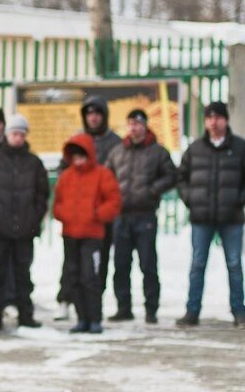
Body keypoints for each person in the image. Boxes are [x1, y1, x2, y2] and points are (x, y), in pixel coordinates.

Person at [0, 114, 50, 330]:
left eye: (21, 134)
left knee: (23, 274)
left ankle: (26, 314)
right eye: (15, 133)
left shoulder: (33, 162)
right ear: (7, 134)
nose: (18, 137)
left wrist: (33, 217)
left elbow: (42, 194)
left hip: (25, 228)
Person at [175, 101, 245, 327]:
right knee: (197, 264)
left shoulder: (240, 147)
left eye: (218, 117)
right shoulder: (195, 148)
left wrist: (238, 200)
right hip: (201, 217)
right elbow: (181, 177)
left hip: (231, 217)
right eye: (209, 118)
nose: (213, 122)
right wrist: (190, 199)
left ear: (226, 120)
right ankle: (192, 311)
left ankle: (239, 311)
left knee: (234, 264)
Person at [106, 108, 177, 323]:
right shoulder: (117, 152)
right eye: (131, 124)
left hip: (145, 215)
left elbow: (171, 176)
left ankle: (151, 309)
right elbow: (106, 178)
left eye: (137, 123)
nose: (134, 128)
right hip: (122, 217)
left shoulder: (157, 152)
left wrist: (152, 190)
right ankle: (123, 308)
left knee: (148, 265)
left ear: (145, 125)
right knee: (121, 265)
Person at [53, 134, 122, 334]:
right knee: (73, 277)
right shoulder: (67, 177)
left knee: (90, 277)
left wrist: (97, 215)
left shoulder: (102, 174)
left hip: (92, 235)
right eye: (75, 157)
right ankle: (82, 318)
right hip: (70, 234)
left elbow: (114, 201)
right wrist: (64, 215)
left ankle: (95, 318)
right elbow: (57, 203)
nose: (78, 160)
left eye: (82, 156)